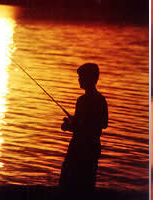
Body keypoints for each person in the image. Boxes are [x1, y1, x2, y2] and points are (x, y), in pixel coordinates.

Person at [59, 63, 108, 199]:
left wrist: (67, 126)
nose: (79, 80)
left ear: (89, 79)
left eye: (81, 77)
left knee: (67, 182)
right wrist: (76, 121)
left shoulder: (82, 101)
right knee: (87, 183)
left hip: (78, 148)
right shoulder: (101, 100)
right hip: (93, 147)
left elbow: (79, 126)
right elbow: (104, 124)